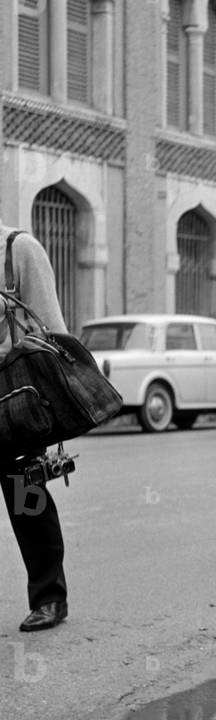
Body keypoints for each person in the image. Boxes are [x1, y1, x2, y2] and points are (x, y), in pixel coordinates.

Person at [0, 222, 71, 631]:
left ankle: (49, 598)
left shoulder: (20, 249)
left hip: (14, 399)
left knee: (26, 499)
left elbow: (51, 330)